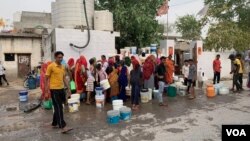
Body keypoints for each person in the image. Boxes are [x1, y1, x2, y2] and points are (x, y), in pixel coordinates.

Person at [45, 51, 72, 133]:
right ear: (55, 57)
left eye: (61, 57)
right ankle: (62, 126)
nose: (60, 59)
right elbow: (46, 79)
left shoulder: (63, 67)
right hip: (54, 90)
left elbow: (64, 78)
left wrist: (69, 88)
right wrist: (46, 91)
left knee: (58, 106)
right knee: (59, 107)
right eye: (59, 57)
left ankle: (54, 123)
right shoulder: (51, 66)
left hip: (61, 89)